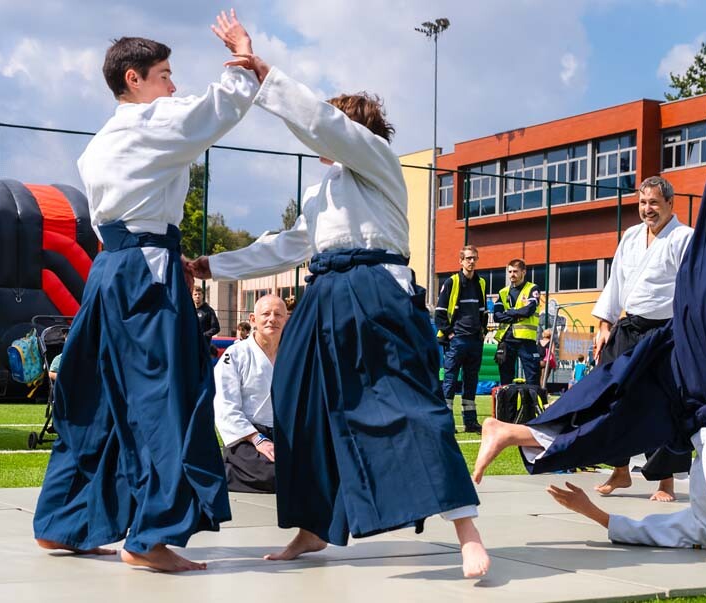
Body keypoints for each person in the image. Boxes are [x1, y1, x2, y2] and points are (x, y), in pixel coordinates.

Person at [189, 16, 489, 578]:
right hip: (324, 292)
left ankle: (466, 528)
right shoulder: (320, 190)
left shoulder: (377, 159)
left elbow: (324, 126)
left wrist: (263, 72)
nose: (322, 139)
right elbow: (290, 244)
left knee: (409, 404)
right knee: (296, 400)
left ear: (355, 130)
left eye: (335, 126)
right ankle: (313, 525)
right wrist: (216, 265)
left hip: (375, 288)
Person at [33, 15, 260, 572]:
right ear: (133, 79)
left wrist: (155, 248)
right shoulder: (152, 120)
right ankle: (151, 538)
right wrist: (242, 58)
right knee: (165, 400)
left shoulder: (99, 144)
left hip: (110, 269)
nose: (173, 86)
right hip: (144, 275)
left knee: (98, 397)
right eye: (164, 75)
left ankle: (63, 522)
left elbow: (124, 220)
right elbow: (221, 108)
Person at [474, 167, 706, 552]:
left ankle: (512, 433)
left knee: (621, 415)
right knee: (699, 286)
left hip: (690, 408)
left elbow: (654, 532)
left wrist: (592, 513)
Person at [590, 176, 697, 502]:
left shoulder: (683, 237)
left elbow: (693, 287)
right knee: (611, 396)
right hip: (629, 328)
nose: (647, 209)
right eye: (642, 202)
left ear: (670, 204)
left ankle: (665, 480)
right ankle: (620, 469)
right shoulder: (631, 235)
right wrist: (604, 324)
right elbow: (616, 280)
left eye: (654, 203)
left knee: (664, 403)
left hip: (666, 332)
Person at [215, 294, 288, 493]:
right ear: (253, 319)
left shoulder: (293, 354)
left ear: (286, 320)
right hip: (247, 437)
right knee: (278, 475)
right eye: (266, 314)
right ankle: (224, 472)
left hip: (284, 434)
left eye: (278, 315)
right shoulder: (235, 355)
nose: (272, 319)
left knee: (312, 469)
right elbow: (225, 406)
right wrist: (257, 439)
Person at [435, 245, 488, 433]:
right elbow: (439, 313)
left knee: (471, 381)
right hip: (456, 340)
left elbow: (483, 311)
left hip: (475, 340)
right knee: (450, 381)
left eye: (474, 258)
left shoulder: (481, 282)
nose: (471, 261)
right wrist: (450, 334)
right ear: (461, 261)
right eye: (468, 258)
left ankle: (470, 422)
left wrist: (482, 331)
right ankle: (447, 422)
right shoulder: (452, 282)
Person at [493, 259, 541, 386]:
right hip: (506, 339)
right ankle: (507, 400)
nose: (512, 274)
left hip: (525, 340)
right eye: (510, 272)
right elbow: (497, 316)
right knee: (505, 378)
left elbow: (528, 311)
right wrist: (517, 315)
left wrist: (509, 312)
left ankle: (533, 399)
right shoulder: (503, 292)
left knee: (533, 376)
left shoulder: (532, 288)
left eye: (515, 271)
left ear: (523, 272)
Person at [193, 286, 221, 354]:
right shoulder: (189, 310)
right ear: (192, 296)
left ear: (203, 296)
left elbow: (216, 328)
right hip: (191, 345)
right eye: (195, 294)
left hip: (203, 347)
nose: (197, 296)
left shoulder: (209, 311)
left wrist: (203, 335)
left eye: (199, 294)